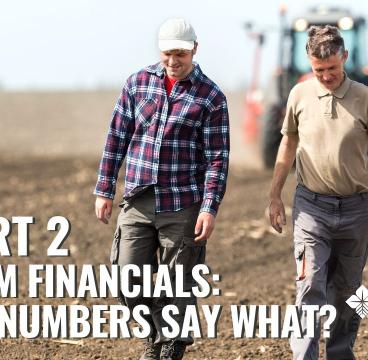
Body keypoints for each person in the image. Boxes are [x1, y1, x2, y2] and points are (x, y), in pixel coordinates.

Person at [267, 25, 368, 359]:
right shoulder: (299, 95)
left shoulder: (366, 98)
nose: (327, 76)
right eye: (319, 70)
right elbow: (288, 144)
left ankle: (342, 354)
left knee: (350, 293)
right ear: (308, 62)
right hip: (311, 208)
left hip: (356, 210)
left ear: (344, 57)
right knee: (309, 287)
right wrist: (274, 195)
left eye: (333, 68)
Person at [93, 18, 229, 360]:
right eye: (168, 53)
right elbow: (116, 138)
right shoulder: (137, 84)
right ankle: (158, 333)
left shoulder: (210, 97)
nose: (173, 60)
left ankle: (171, 344)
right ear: (160, 50)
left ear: (194, 49)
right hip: (138, 200)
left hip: (182, 203)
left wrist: (209, 208)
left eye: (180, 54)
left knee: (177, 282)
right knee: (126, 280)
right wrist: (105, 188)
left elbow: (217, 159)